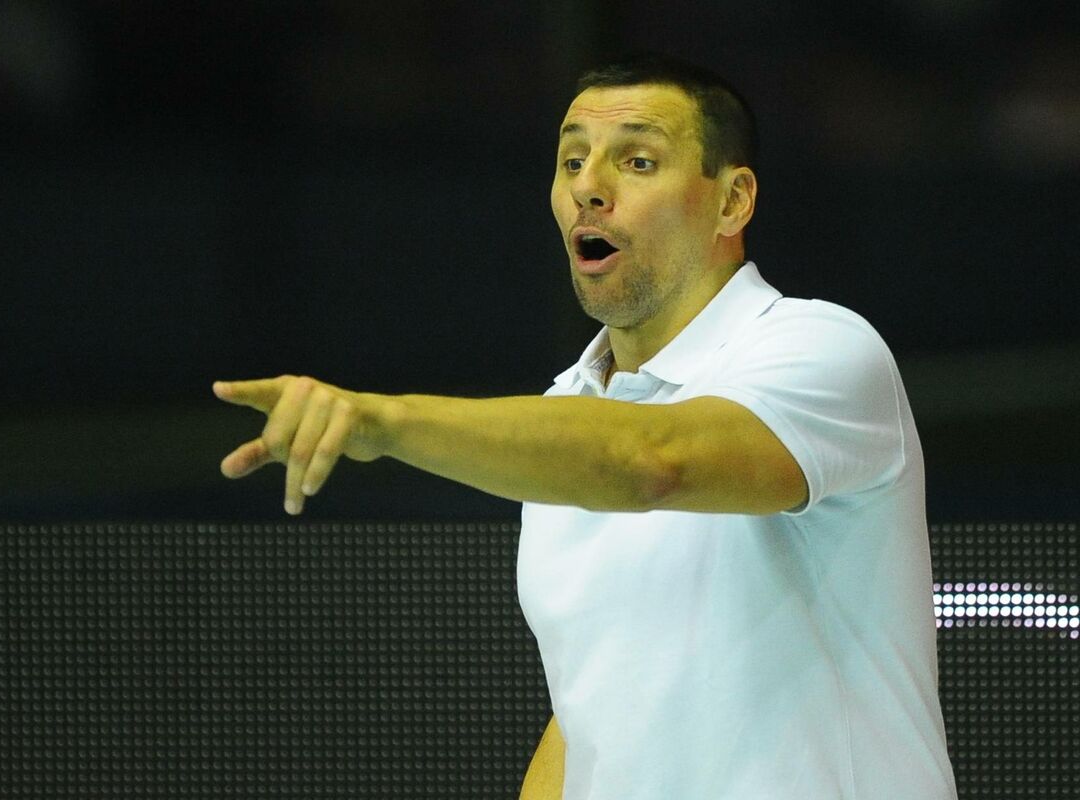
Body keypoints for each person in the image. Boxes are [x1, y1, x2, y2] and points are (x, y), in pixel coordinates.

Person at [213, 54, 958, 800]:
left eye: (637, 161)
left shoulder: (822, 348)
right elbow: (591, 709)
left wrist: (383, 423)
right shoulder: (565, 410)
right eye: (573, 161)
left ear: (732, 202)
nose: (588, 188)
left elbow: (651, 462)